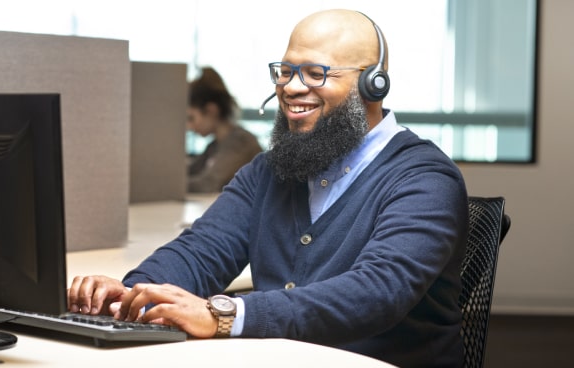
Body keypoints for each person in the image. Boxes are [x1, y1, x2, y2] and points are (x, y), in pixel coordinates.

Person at [69, 9, 468, 368]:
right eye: (286, 71)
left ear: (373, 85)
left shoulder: (424, 179)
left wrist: (225, 314)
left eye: (316, 73)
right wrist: (131, 292)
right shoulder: (270, 170)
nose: (292, 88)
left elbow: (376, 293)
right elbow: (202, 251)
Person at [186, 67, 262, 193]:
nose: (189, 126)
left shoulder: (240, 142)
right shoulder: (214, 146)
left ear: (211, 110)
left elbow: (209, 184)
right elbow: (189, 172)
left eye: (191, 118)